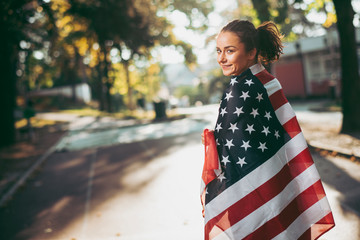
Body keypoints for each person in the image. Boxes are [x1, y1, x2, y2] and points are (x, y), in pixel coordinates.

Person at [200, 20, 334, 240]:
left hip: (250, 189)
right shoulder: (267, 80)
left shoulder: (242, 87)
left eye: (230, 51)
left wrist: (211, 140)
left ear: (252, 52)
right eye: (219, 51)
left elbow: (230, 146)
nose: (221, 58)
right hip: (277, 181)